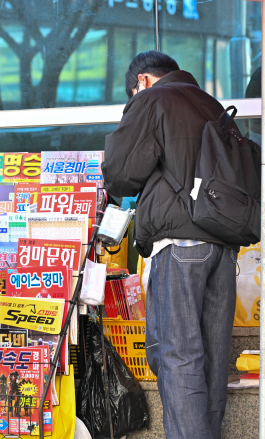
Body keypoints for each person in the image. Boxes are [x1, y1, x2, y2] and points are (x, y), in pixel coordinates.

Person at [102, 51, 241, 439]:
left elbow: (120, 173)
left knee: (177, 355)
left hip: (179, 246)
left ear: (142, 81)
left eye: (132, 93)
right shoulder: (211, 104)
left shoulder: (153, 99)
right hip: (223, 246)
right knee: (211, 361)